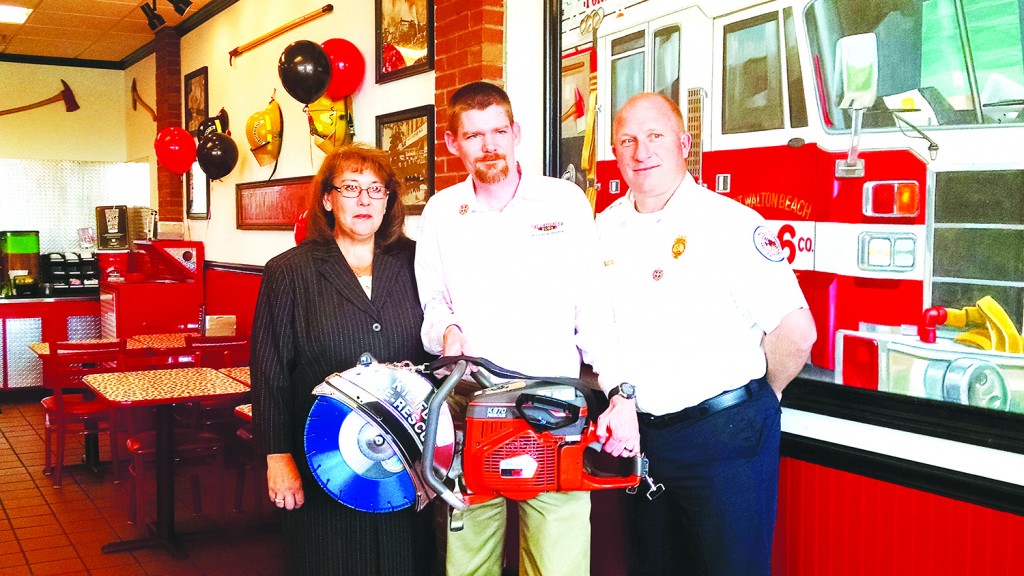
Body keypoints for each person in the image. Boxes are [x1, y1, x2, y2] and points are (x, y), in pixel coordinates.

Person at [415, 81, 639, 576]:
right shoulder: (440, 213)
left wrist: (622, 394)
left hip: (554, 408)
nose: (489, 145)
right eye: (473, 136)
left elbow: (593, 310)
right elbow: (432, 305)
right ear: (454, 144)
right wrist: (446, 331)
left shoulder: (563, 202)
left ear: (517, 133)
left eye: (498, 131)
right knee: (467, 564)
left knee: (558, 564)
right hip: (467, 404)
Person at [598, 92, 817, 576]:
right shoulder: (604, 229)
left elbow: (796, 334)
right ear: (616, 153)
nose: (641, 151)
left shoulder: (730, 224)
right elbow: (599, 329)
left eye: (655, 136)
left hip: (726, 438)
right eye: (627, 140)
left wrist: (764, 394)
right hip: (645, 442)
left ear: (684, 142)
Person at [251, 143, 434, 576]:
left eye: (376, 189)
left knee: (405, 562)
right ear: (328, 199)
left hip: (405, 461)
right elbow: (270, 373)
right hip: (323, 462)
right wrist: (277, 457)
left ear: (389, 199)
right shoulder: (289, 271)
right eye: (351, 187)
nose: (365, 199)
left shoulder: (418, 262)